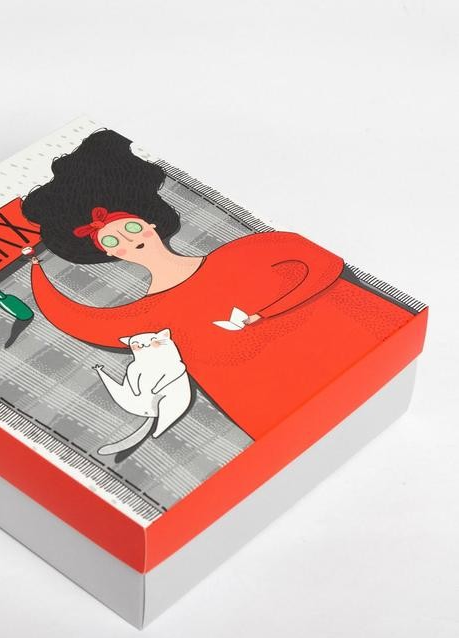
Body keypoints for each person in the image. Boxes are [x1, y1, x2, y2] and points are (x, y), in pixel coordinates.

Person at [23, 130, 413, 440]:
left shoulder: (241, 253)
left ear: (149, 222)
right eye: (112, 240)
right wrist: (36, 269)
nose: (128, 240)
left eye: (131, 228)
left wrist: (268, 312)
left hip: (355, 342)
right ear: (108, 253)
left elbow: (322, 264)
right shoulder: (145, 317)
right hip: (278, 410)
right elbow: (74, 319)